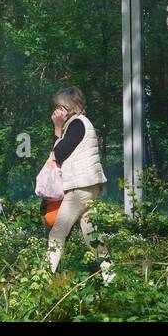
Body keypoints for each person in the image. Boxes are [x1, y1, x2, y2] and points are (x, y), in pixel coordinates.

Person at [47, 87, 108, 273]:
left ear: (69, 107)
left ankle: (44, 276)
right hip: (88, 185)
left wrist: (57, 127)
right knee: (92, 234)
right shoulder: (79, 123)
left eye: (59, 106)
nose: (56, 111)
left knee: (57, 232)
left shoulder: (77, 124)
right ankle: (110, 275)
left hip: (80, 187)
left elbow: (58, 153)